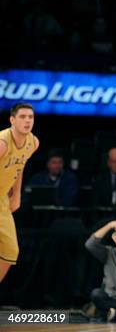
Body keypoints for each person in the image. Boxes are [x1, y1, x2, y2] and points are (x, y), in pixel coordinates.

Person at [0, 103, 39, 283]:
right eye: (22, 117)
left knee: (10, 251)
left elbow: (19, 166)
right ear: (12, 120)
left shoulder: (33, 142)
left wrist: (16, 195)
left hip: (2, 202)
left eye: (30, 117)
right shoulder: (2, 143)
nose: (27, 120)